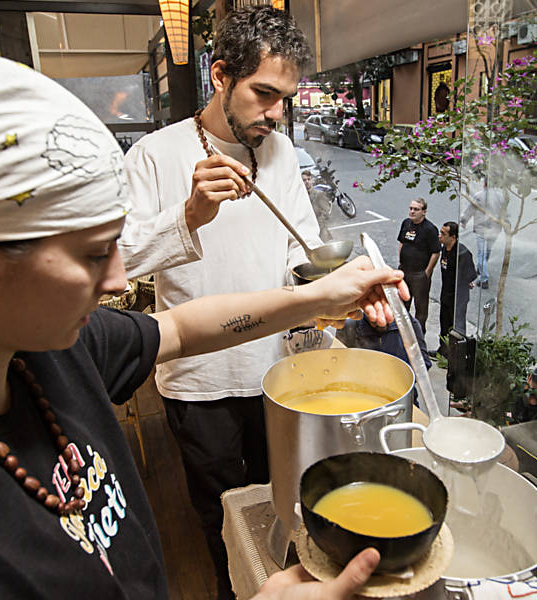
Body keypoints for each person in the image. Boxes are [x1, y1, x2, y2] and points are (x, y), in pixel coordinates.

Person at [0, 52, 403, 599]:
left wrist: (324, 293)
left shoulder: (40, 352)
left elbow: (180, 329)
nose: (119, 280)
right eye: (95, 252)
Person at [121, 8, 326, 598]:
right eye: (264, 94)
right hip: (199, 377)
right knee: (218, 512)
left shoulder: (282, 154)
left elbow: (301, 247)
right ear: (220, 76)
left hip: (276, 372)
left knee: (279, 501)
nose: (276, 113)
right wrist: (188, 214)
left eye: (286, 98)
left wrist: (338, 286)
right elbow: (119, 261)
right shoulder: (156, 156)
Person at [397, 197, 440, 332]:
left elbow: (436, 252)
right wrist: (400, 261)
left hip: (419, 274)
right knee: (402, 305)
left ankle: (419, 336)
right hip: (404, 271)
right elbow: (402, 243)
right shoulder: (406, 223)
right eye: (411, 208)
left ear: (424, 212)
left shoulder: (430, 229)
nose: (412, 211)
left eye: (416, 209)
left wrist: (427, 272)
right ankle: (402, 334)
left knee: (420, 309)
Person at [435, 220, 477, 355]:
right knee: (444, 323)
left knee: (456, 327)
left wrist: (467, 282)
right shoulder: (444, 249)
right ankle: (443, 351)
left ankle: (455, 355)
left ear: (453, 237)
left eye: (443, 233)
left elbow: (471, 275)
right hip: (446, 294)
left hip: (458, 297)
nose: (439, 236)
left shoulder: (462, 254)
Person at [336, 311, 431, 370]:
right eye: (374, 320)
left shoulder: (408, 324)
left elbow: (424, 364)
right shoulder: (349, 327)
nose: (381, 322)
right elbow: (337, 364)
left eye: (386, 318)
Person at [460, 180, 503, 290]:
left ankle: (484, 278)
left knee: (481, 254)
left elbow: (470, 209)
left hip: (482, 228)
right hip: (495, 229)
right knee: (487, 251)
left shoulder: (479, 195)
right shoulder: (500, 197)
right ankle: (482, 268)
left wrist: (464, 221)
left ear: (484, 184)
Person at [303, 169, 332, 241]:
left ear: (311, 180)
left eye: (308, 179)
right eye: (304, 180)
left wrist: (317, 225)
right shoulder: (301, 196)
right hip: (307, 234)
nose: (307, 182)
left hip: (320, 234)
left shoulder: (319, 194)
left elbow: (326, 213)